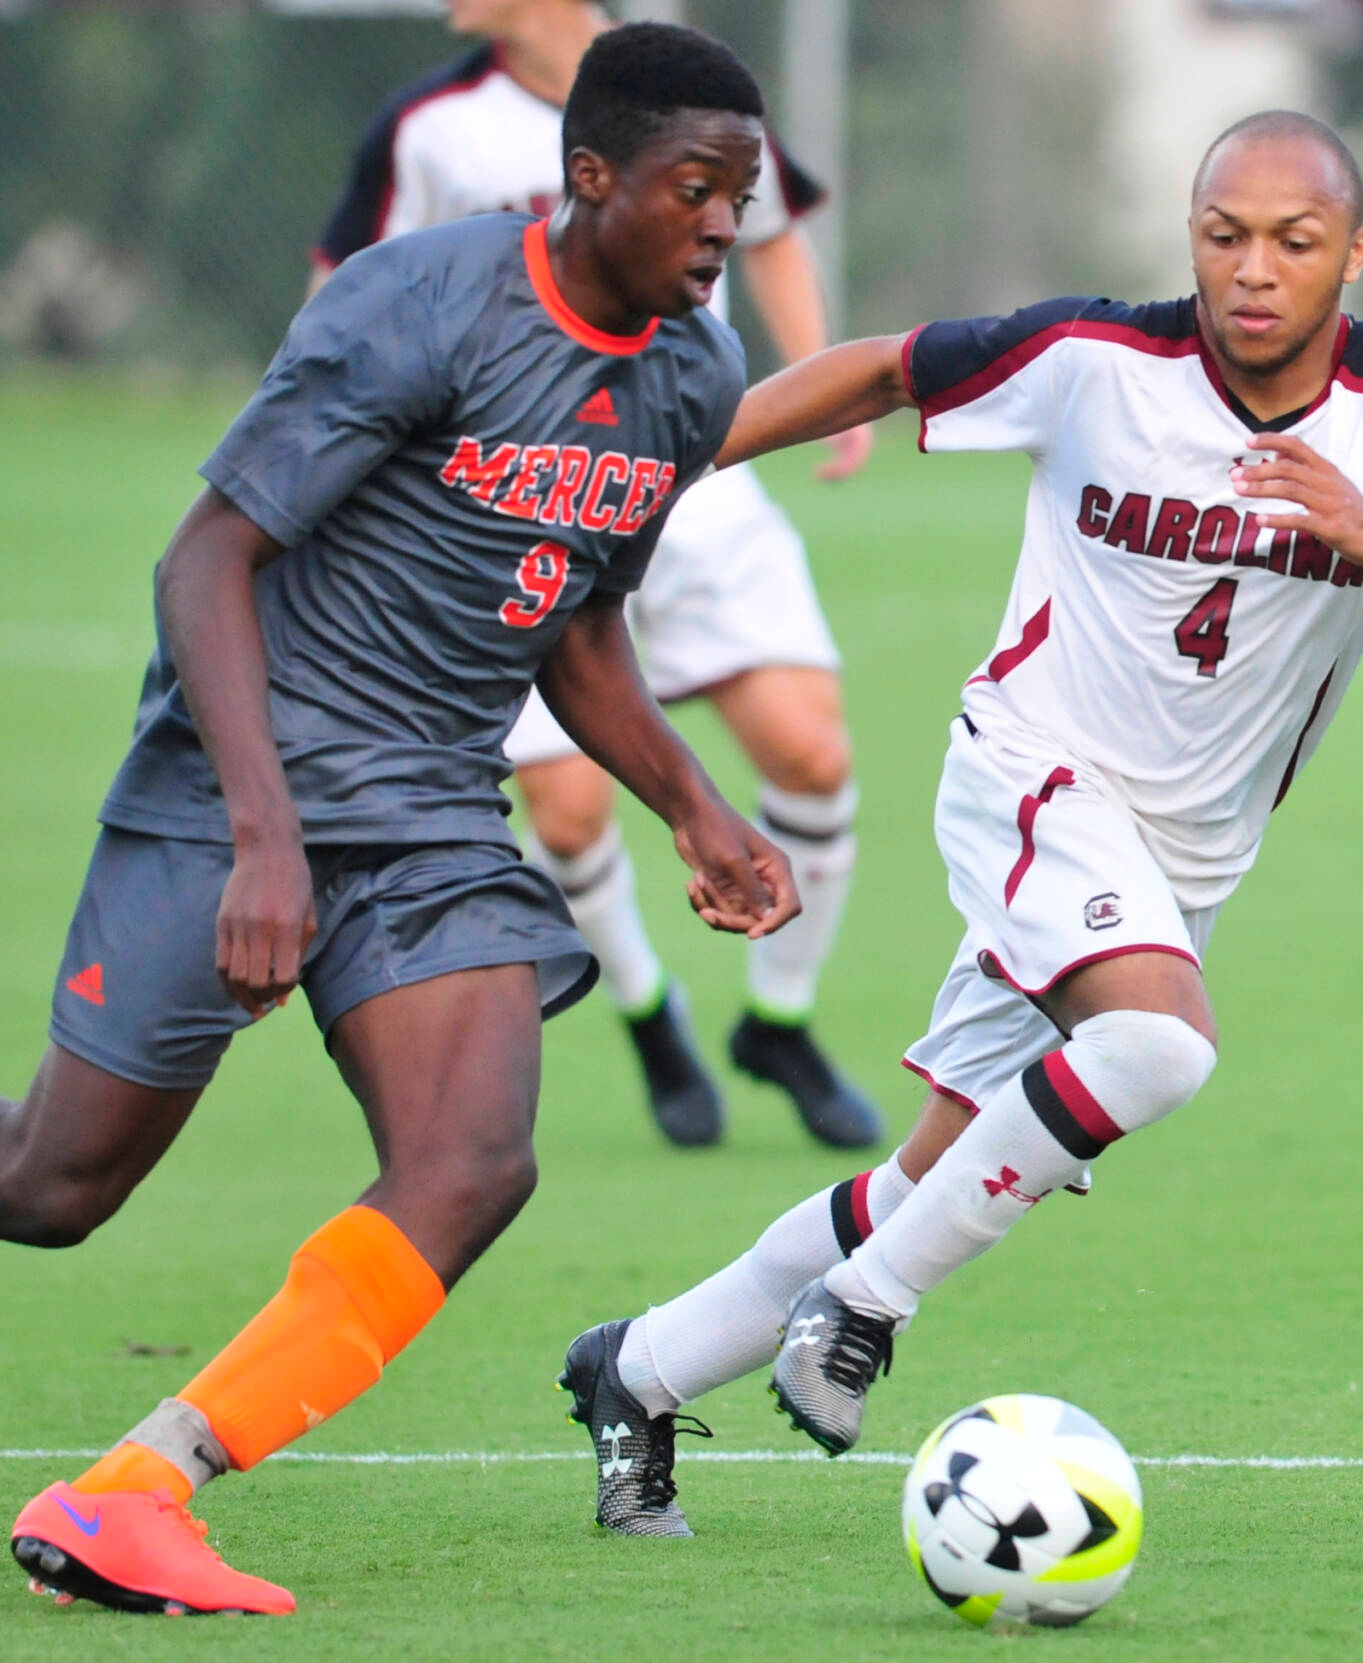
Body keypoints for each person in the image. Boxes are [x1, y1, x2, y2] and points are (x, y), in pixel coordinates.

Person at [550, 110, 1363, 1537]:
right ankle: (863, 1309)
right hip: (1030, 772)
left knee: (935, 1164)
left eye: (1294, 241)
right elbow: (885, 369)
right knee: (1157, 1043)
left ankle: (638, 1371)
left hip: (1180, 858)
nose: (1254, 270)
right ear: (1191, 240)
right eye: (1225, 237)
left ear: (1357, 250)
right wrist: (662, 463)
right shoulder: (1100, 359)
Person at [4, 23, 793, 1616]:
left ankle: (138, 1487)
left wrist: (698, 807)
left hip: (433, 803)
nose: (725, 228)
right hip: (239, 787)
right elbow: (203, 562)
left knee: (473, 1156)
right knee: (50, 1190)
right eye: (695, 192)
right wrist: (267, 841)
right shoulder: (418, 303)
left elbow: (574, 624)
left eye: (743, 197)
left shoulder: (696, 375)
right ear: (594, 180)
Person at [313, 0, 881, 1150]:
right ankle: (650, 1014)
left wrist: (821, 396)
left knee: (812, 750)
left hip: (694, 480)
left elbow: (773, 234)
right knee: (566, 810)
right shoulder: (428, 125)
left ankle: (779, 1017)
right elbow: (345, 284)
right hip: (504, 500)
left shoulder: (684, 86)